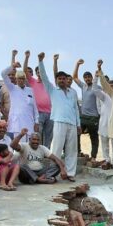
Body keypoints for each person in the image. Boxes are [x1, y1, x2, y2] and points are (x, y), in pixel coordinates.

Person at [37, 52, 80, 181]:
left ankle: (70, 173)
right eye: (59, 78)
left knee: (72, 150)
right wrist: (40, 61)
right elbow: (44, 76)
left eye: (64, 78)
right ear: (56, 80)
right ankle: (52, 174)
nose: (62, 80)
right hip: (59, 122)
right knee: (56, 148)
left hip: (72, 123)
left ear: (67, 80)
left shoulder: (72, 92)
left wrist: (78, 124)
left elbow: (76, 109)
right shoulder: (52, 90)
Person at [2, 51, 39, 142]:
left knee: (28, 149)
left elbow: (35, 108)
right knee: (18, 149)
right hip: (17, 124)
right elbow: (3, 74)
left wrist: (37, 122)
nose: (21, 80)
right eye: (19, 78)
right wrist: (13, 66)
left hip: (29, 123)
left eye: (23, 78)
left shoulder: (30, 90)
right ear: (16, 79)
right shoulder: (12, 88)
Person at [23, 51, 53, 147]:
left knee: (49, 135)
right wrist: (27, 57)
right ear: (36, 73)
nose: (40, 73)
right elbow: (24, 70)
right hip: (38, 113)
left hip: (50, 113)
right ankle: (38, 152)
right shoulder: (33, 81)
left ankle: (46, 151)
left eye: (41, 71)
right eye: (38, 71)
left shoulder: (49, 84)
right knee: (38, 134)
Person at [73, 59, 101, 161]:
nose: (87, 79)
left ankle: (93, 157)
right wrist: (77, 64)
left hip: (93, 117)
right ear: (84, 79)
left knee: (94, 138)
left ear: (92, 78)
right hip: (83, 117)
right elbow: (74, 77)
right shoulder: (83, 86)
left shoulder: (97, 87)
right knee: (76, 134)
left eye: (89, 77)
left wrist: (98, 69)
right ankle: (78, 152)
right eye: (86, 77)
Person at [95, 74, 113, 165]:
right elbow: (98, 107)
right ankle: (107, 160)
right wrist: (102, 113)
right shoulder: (100, 94)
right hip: (103, 121)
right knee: (104, 143)